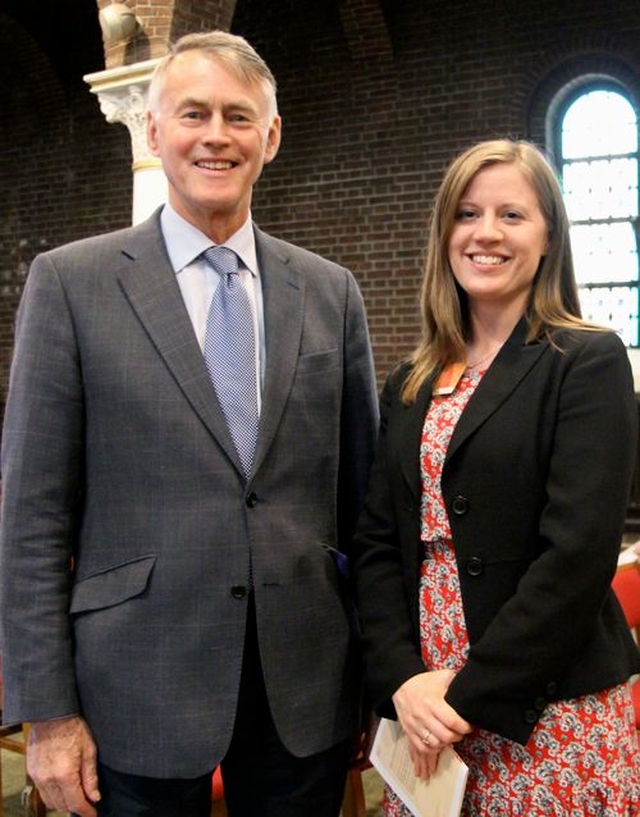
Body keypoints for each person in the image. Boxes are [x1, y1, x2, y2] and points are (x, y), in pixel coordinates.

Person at [0, 30, 378, 817]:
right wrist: (49, 709)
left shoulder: (330, 292)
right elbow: (32, 516)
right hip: (134, 689)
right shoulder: (73, 283)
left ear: (270, 137)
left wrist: (375, 676)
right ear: (153, 130)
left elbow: (363, 509)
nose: (216, 135)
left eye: (239, 117)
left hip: (303, 688)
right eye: (193, 113)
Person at [352, 139, 640, 814]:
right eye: (467, 214)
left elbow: (577, 555)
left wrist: (465, 692)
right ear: (444, 235)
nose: (486, 233)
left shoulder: (586, 361)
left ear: (547, 239)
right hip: (423, 705)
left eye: (512, 215)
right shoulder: (410, 381)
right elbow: (375, 544)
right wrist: (404, 680)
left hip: (544, 694)